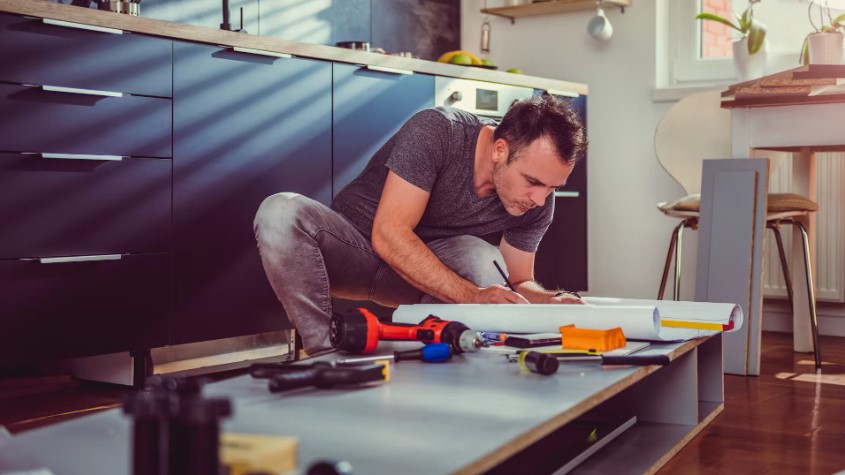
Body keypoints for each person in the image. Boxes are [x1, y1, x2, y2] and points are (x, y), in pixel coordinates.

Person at [254, 94, 588, 355]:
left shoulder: (538, 196)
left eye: (552, 187)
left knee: (481, 258)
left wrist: (548, 300)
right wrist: (473, 297)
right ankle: (322, 350)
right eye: (533, 181)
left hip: (423, 283)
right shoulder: (438, 131)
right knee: (280, 211)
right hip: (355, 251)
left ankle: (444, 357)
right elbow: (388, 235)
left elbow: (518, 280)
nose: (541, 199)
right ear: (500, 150)